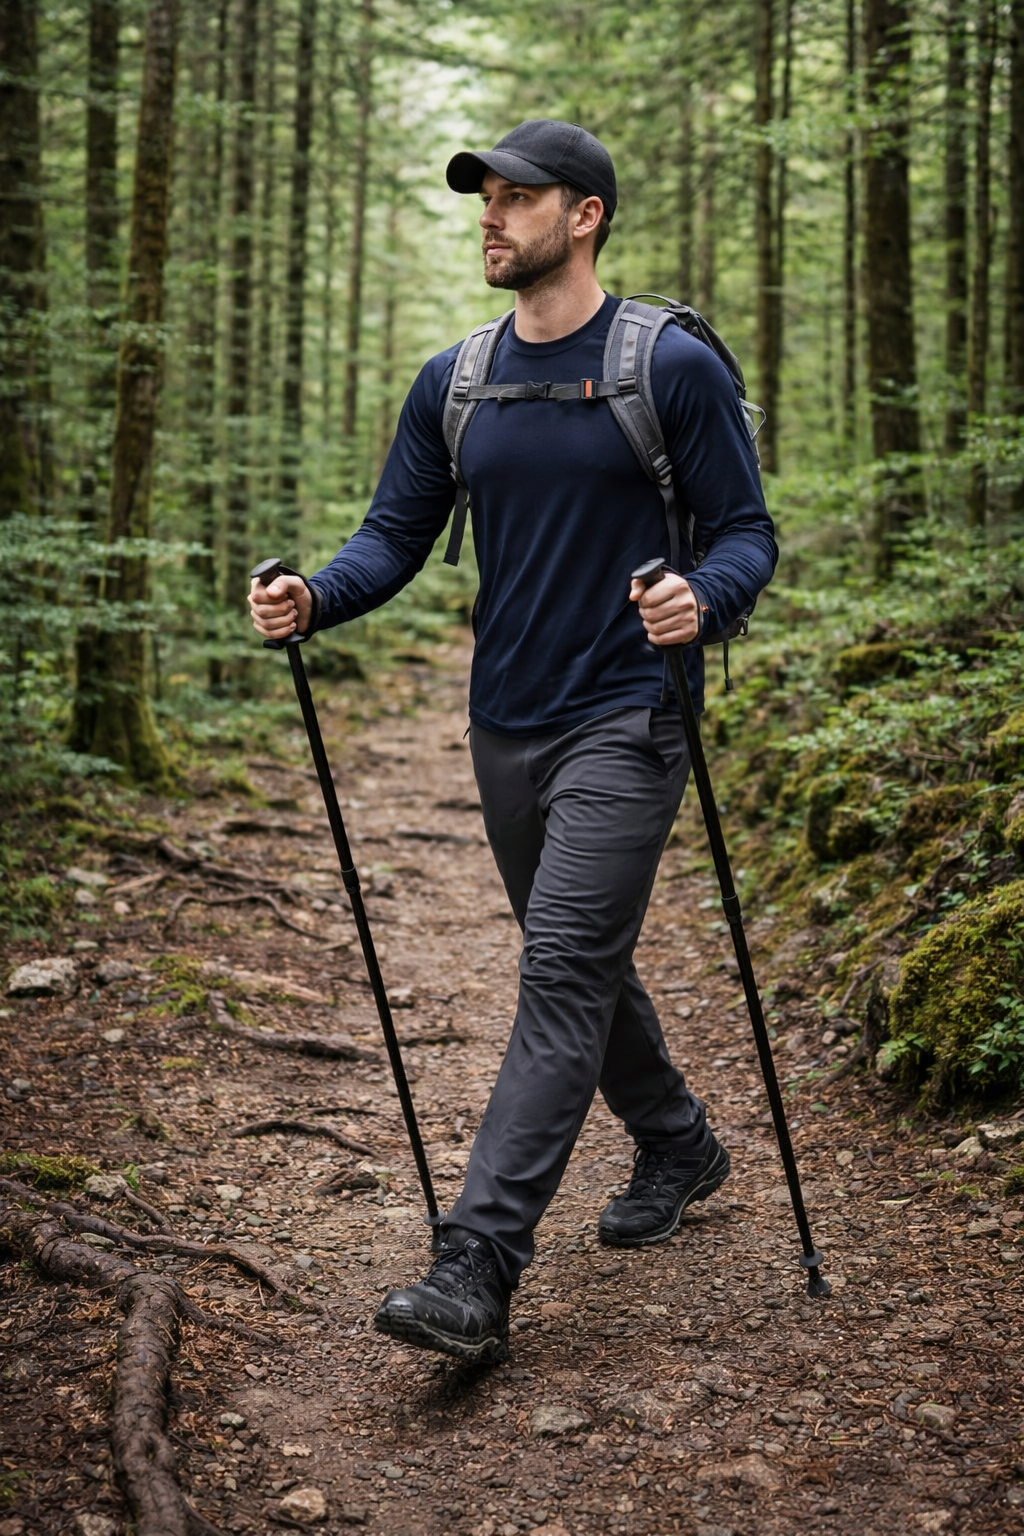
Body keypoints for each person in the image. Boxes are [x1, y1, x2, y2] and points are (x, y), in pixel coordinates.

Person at [248, 119, 777, 1366]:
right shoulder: (458, 377)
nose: (489, 216)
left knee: (555, 975)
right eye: (482, 198)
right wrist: (315, 595)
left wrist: (706, 597)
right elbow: (393, 535)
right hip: (504, 726)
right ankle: (677, 1141)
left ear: (583, 214)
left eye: (515, 198)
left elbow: (747, 530)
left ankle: (476, 1262)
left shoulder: (670, 367)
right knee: (576, 957)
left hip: (628, 715)